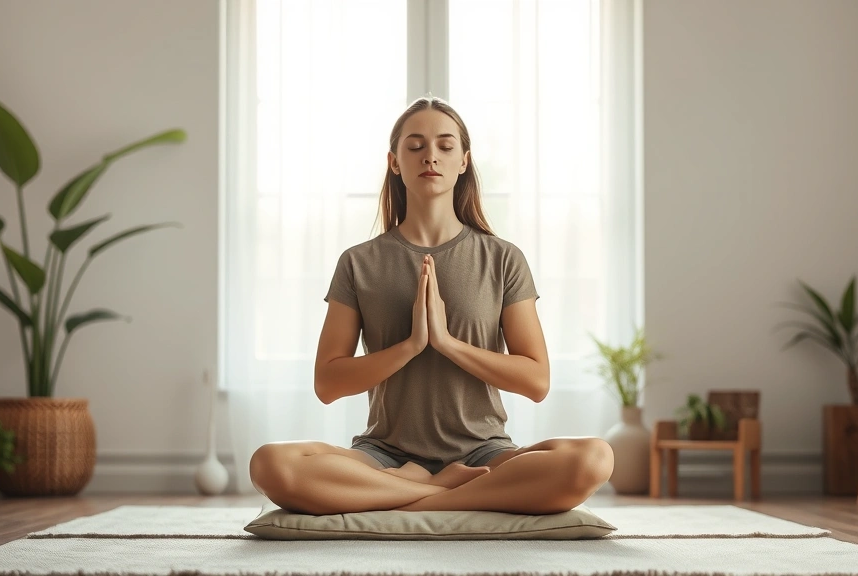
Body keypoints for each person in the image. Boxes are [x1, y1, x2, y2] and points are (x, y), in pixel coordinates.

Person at [250, 96, 613, 516]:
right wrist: (411, 345)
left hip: (483, 454)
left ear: (463, 161)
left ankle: (412, 494)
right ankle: (446, 493)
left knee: (595, 458)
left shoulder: (502, 258)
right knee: (270, 465)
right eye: (415, 146)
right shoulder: (359, 262)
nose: (430, 157)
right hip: (383, 455)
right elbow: (328, 383)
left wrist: (446, 343)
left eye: (445, 146)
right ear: (394, 161)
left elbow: (536, 381)